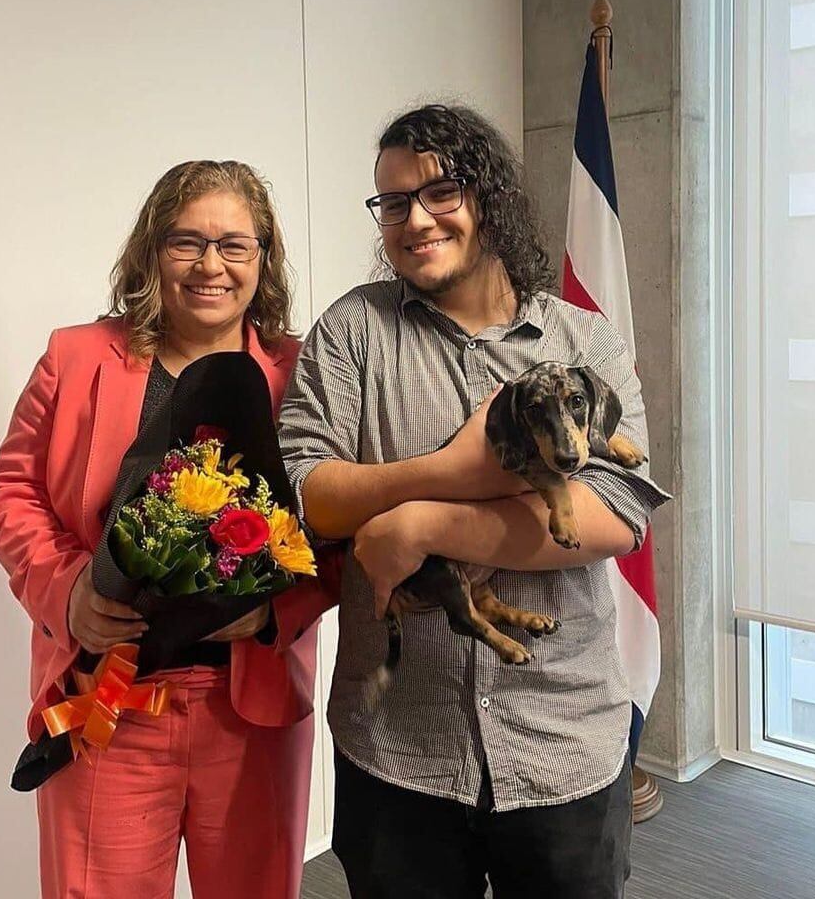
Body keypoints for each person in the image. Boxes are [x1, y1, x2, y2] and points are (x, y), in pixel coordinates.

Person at [279, 105, 670, 899]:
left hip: (563, 741)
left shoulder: (584, 340)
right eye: (394, 202)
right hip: (399, 749)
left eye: (440, 192)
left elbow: (611, 515)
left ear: (489, 195)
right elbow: (315, 494)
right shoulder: (352, 331)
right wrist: (454, 469)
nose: (416, 220)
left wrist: (420, 522)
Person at [0, 160, 338, 899]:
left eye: (233, 245)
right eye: (187, 242)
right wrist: (67, 592)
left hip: (250, 710)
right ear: (152, 251)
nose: (211, 265)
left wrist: (275, 612)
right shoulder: (76, 358)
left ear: (263, 257)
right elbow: (10, 492)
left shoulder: (304, 374)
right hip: (105, 699)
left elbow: (342, 526)